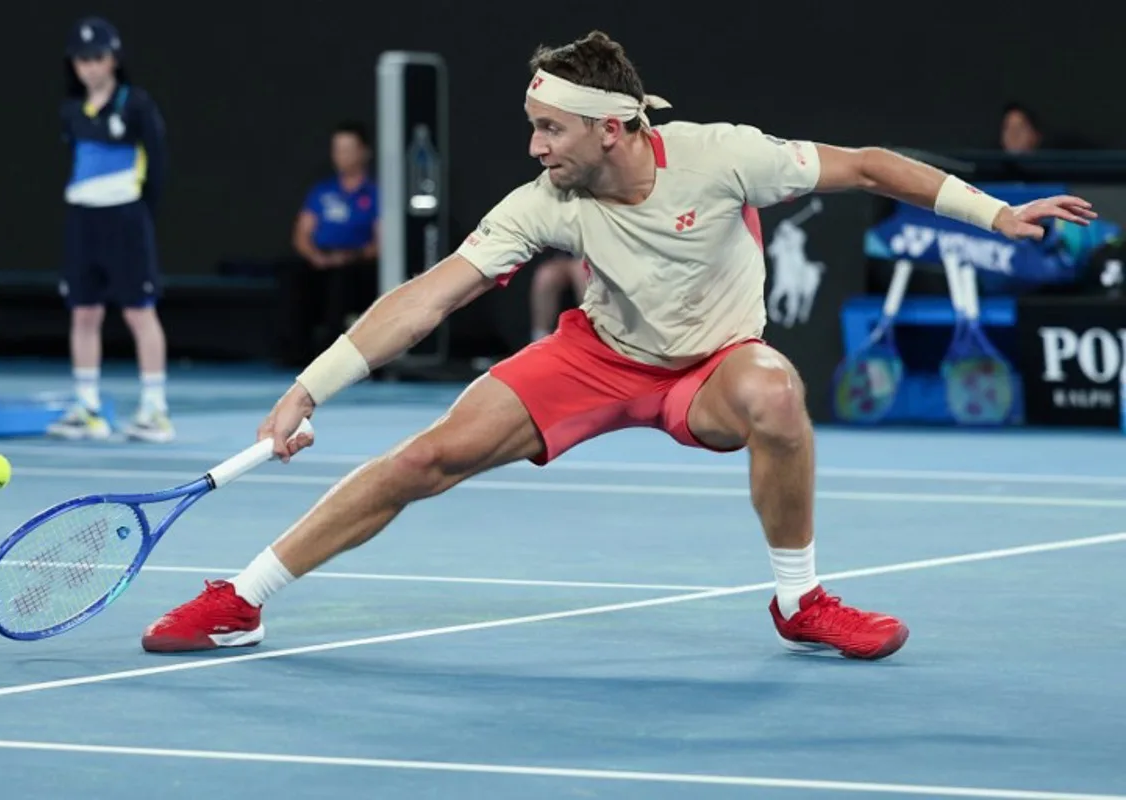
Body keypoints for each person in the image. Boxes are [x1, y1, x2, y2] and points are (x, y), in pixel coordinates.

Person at [142, 32, 1096, 659]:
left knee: (777, 395)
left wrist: (992, 211)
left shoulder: (726, 156)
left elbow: (870, 167)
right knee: (425, 455)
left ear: (613, 129)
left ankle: (799, 601)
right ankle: (244, 596)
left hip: (712, 368)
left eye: (548, 128)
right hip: (596, 358)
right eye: (533, 128)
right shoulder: (544, 201)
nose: (533, 147)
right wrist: (314, 385)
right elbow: (433, 295)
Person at [47, 17, 173, 443]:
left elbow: (157, 167)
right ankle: (88, 408)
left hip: (125, 217)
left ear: (114, 59)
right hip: (83, 218)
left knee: (139, 311)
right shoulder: (70, 110)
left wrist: (137, 213)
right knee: (83, 312)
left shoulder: (136, 105)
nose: (90, 67)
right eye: (82, 60)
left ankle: (155, 410)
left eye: (97, 58)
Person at [276, 122, 380, 366]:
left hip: (355, 261)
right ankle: (294, 353)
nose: (341, 156)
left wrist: (351, 257)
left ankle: (333, 357)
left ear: (364, 152)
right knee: (292, 274)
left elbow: (381, 241)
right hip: (320, 259)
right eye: (337, 149)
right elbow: (301, 234)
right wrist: (315, 257)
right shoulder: (322, 191)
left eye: (348, 149)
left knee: (343, 281)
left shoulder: (375, 193)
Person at [530, 249, 588, 341]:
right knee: (546, 275)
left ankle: (596, 338)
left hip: (594, 256)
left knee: (582, 272)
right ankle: (540, 340)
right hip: (567, 255)